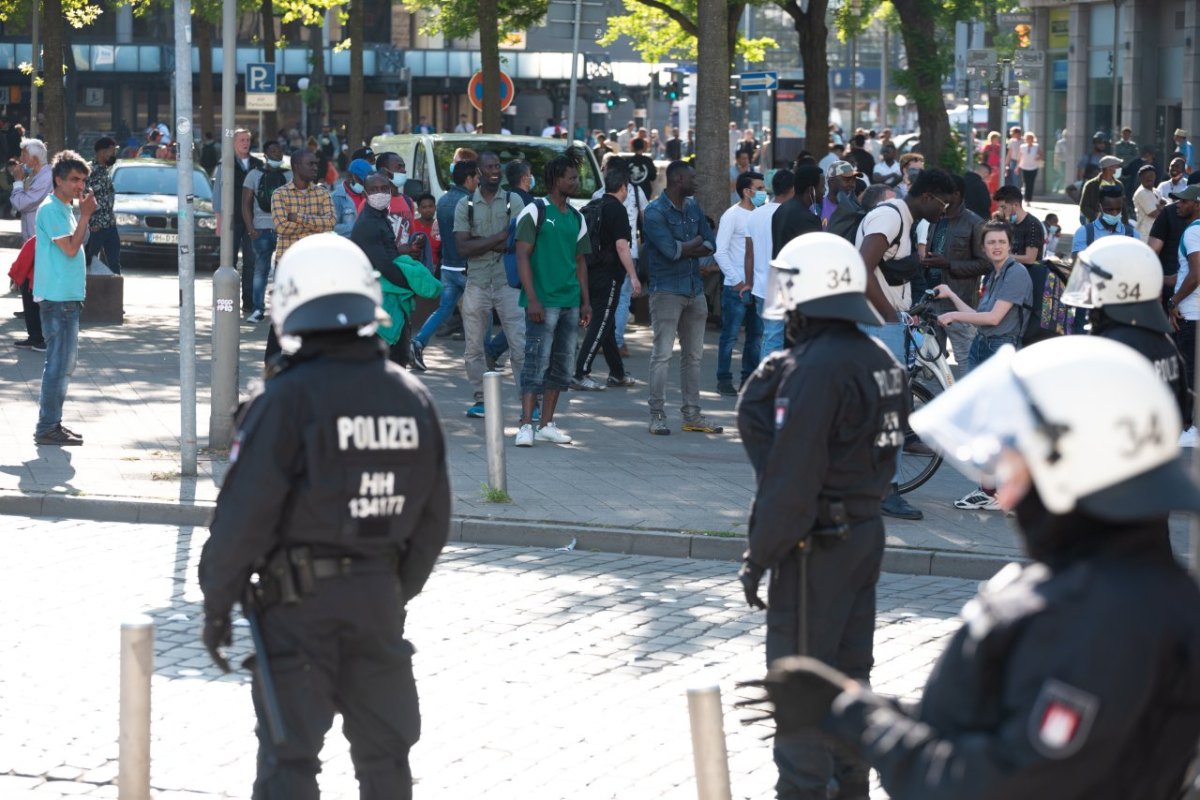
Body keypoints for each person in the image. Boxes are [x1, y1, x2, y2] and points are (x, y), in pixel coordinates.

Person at [744, 334, 1200, 800]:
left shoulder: (1081, 618)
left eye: (1015, 468)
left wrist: (855, 719)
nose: (1004, 495)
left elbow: (987, 785)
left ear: (1069, 469)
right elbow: (1010, 729)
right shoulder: (1163, 597)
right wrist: (870, 707)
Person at [198, 234, 450, 800]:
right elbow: (434, 524)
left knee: (290, 768)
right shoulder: (412, 398)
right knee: (386, 766)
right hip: (379, 606)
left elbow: (242, 519)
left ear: (289, 304)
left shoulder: (283, 400)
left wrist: (218, 607)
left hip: (296, 612)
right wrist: (388, 588)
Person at [737, 232, 906, 800]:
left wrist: (759, 555)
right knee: (851, 680)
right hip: (864, 533)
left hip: (816, 545)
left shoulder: (815, 369)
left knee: (801, 690)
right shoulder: (879, 359)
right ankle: (850, 789)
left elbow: (792, 478)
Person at [857, 168, 956, 520]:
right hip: (877, 325)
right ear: (927, 197)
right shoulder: (890, 216)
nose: (945, 210)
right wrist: (888, 316)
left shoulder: (904, 219)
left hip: (881, 323)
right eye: (944, 203)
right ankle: (887, 490)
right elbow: (860, 267)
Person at [934, 220, 1033, 510]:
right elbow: (980, 314)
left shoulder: (1017, 274)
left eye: (1001, 241)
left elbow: (994, 319)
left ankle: (997, 492)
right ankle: (994, 490)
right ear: (984, 247)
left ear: (1010, 244)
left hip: (1000, 349)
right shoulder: (995, 274)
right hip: (984, 347)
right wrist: (951, 296)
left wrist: (953, 315)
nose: (996, 246)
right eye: (991, 243)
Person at [1062, 236, 1190, 432]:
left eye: (1095, 283)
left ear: (1122, 287)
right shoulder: (1164, 343)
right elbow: (1184, 410)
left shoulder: (1115, 347)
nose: (1090, 290)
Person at [511, 155, 592, 446]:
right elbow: (522, 254)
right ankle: (525, 424)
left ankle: (546, 423)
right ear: (556, 179)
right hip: (543, 302)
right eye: (571, 177)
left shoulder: (576, 217)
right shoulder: (535, 210)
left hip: (570, 301)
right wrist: (532, 298)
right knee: (535, 363)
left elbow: (580, 261)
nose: (575, 182)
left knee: (561, 366)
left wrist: (586, 301)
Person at [642, 160, 721, 435]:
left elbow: (711, 242)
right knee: (662, 355)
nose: (696, 182)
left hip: (694, 289)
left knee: (694, 356)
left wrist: (689, 247)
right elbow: (669, 251)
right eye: (692, 177)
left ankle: (692, 415)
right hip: (666, 290)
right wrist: (691, 247)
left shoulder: (693, 207)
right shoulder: (654, 212)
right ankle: (657, 415)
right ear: (677, 179)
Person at [32, 150, 96, 446]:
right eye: (73, 180)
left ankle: (52, 423)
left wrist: (81, 215)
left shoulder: (66, 209)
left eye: (82, 180)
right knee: (58, 365)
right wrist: (85, 215)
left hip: (67, 298)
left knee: (63, 365)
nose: (79, 186)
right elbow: (70, 249)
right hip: (57, 300)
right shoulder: (51, 209)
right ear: (57, 180)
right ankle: (47, 427)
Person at [455, 151, 526, 418]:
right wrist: (499, 237)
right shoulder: (466, 205)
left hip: (508, 282)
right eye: (489, 166)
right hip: (477, 282)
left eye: (498, 165)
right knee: (473, 347)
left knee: (519, 345)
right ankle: (481, 399)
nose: (495, 170)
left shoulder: (513, 200)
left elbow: (517, 241)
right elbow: (462, 247)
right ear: (479, 171)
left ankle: (527, 401)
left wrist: (480, 242)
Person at [573, 165, 641, 391]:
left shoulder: (594, 205)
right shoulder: (618, 210)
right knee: (601, 322)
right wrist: (633, 276)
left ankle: (617, 373)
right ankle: (580, 372)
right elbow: (622, 246)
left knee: (607, 324)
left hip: (589, 270)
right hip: (609, 275)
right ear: (624, 187)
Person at [351, 174, 431, 367]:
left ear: (391, 190)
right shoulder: (369, 223)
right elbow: (385, 265)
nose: (380, 193)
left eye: (384, 189)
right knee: (390, 360)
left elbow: (390, 253)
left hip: (385, 294)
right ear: (365, 193)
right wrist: (410, 284)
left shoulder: (379, 216)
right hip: (380, 297)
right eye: (374, 190)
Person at [411, 160, 478, 372]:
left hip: (448, 266)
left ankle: (418, 342)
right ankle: (487, 354)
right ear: (468, 178)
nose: (478, 180)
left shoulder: (444, 200)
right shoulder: (468, 201)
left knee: (443, 310)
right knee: (480, 310)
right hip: (466, 266)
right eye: (476, 177)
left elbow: (440, 234)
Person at [920, 175, 990, 375]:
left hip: (960, 305)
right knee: (930, 368)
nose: (938, 197)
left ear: (957, 195)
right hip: (931, 303)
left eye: (943, 193)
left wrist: (949, 264)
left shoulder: (974, 223)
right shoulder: (936, 218)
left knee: (968, 367)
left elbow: (986, 264)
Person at [714, 171, 765, 396]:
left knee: (755, 337)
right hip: (737, 287)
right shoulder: (732, 215)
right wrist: (736, 280)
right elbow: (720, 251)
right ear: (747, 191)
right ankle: (723, 379)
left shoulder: (762, 215)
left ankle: (748, 379)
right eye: (760, 188)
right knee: (730, 336)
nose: (764, 193)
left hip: (759, 286)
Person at [240, 141, 293, 323]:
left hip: (284, 230)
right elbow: (245, 204)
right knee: (261, 269)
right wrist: (251, 228)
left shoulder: (289, 175)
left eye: (279, 151)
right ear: (265, 154)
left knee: (279, 270)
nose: (277, 154)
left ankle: (274, 310)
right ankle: (258, 308)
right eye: (272, 151)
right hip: (261, 229)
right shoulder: (254, 175)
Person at [213, 128, 262, 314]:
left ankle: (248, 302)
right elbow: (218, 192)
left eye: (248, 139)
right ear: (234, 143)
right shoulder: (225, 163)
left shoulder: (257, 164)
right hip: (231, 220)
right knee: (229, 261)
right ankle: (229, 299)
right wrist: (219, 220)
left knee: (251, 262)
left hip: (252, 220)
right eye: (242, 139)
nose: (245, 143)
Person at [10, 137, 52, 351]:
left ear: (34, 158)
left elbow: (21, 203)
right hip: (31, 241)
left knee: (35, 287)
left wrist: (17, 182)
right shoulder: (35, 175)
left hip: (41, 242)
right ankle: (35, 335)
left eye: (24, 155)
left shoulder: (46, 177)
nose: (21, 159)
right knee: (27, 287)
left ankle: (42, 336)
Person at [746, 170, 794, 358]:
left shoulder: (755, 215)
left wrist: (749, 283)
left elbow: (748, 254)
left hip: (759, 288)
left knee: (769, 338)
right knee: (774, 341)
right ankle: (767, 384)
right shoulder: (789, 214)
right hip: (780, 288)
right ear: (792, 189)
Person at [1166, 185, 1200, 446]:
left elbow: (1196, 274)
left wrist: (1174, 300)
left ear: (1197, 205)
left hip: (1190, 313)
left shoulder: (1193, 232)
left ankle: (1189, 428)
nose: (1178, 204)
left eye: (1184, 201)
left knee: (1187, 372)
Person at [82, 137, 121, 274]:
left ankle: (115, 291)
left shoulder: (106, 170)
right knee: (88, 260)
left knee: (114, 264)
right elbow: (85, 197)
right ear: (103, 152)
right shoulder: (89, 171)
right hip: (96, 227)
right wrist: (93, 222)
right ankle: (84, 290)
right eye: (112, 151)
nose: (114, 155)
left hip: (110, 224)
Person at [1071, 185, 1138, 257]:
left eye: (1118, 209)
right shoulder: (1084, 233)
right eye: (1109, 210)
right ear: (1100, 207)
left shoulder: (1133, 235)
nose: (1114, 213)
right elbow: (1078, 263)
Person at [772, 165, 823, 258]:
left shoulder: (781, 209)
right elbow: (815, 255)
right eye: (822, 187)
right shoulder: (808, 219)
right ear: (811, 190)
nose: (824, 191)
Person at [992, 185, 1045, 265]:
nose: (1001, 211)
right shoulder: (1009, 223)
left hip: (1027, 274)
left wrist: (1002, 256)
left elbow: (1030, 258)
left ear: (1015, 205)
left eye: (1003, 207)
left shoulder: (1032, 225)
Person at [330, 158, 371, 234]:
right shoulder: (336, 198)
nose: (364, 184)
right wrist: (357, 228)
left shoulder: (368, 195)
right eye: (362, 181)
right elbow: (331, 228)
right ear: (351, 176)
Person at [1079, 155, 1124, 224]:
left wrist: (1124, 222)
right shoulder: (1091, 185)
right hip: (1096, 224)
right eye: (1117, 166)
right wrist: (1096, 216)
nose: (1119, 168)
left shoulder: (1119, 184)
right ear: (1109, 167)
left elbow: (1123, 205)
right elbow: (1084, 206)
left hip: (1116, 223)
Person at [821, 162, 858, 230]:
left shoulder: (857, 208)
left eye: (854, 180)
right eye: (847, 180)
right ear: (831, 181)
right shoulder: (817, 207)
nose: (852, 184)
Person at [1133, 164, 1165, 242]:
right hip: (1145, 234)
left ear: (1155, 176)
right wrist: (1162, 208)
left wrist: (1161, 207)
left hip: (1155, 233)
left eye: (1151, 175)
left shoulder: (1156, 191)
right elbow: (1155, 214)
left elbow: (1167, 203)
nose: (1149, 178)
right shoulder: (1141, 192)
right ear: (1140, 178)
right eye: (1145, 175)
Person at [1017, 132, 1041, 204]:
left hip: (1033, 167)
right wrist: (1017, 166)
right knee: (1026, 183)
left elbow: (1041, 155)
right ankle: (1026, 198)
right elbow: (1019, 157)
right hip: (1024, 166)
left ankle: (1029, 199)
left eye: (1030, 138)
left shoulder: (1036, 146)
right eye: (1027, 138)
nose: (1029, 140)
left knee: (1031, 183)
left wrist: (1038, 157)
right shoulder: (1022, 147)